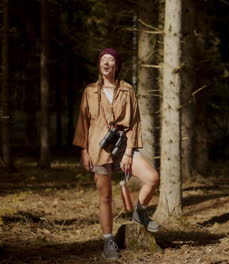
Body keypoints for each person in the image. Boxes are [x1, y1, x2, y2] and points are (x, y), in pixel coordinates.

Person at [73, 48, 160, 260]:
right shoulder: (90, 90)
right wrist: (84, 151)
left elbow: (134, 122)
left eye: (111, 59)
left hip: (123, 145)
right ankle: (108, 241)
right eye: (103, 59)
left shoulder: (127, 90)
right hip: (97, 147)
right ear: (99, 65)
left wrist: (129, 152)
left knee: (152, 178)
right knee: (105, 197)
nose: (106, 62)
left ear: (116, 65)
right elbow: (83, 122)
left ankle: (140, 213)